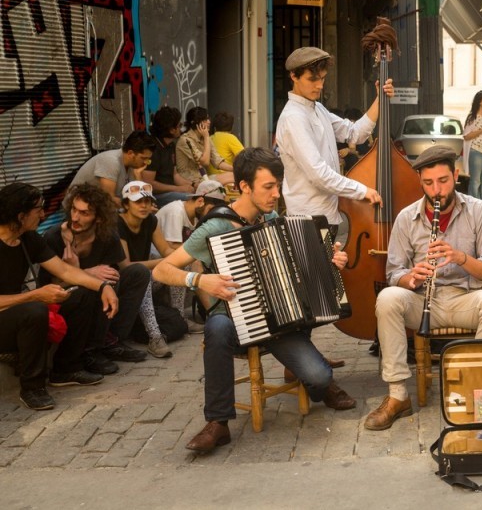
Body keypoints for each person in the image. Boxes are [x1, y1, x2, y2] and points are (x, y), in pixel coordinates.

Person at [152, 147, 357, 454]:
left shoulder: (273, 219)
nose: (276, 194)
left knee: (318, 377)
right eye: (268, 187)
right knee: (216, 328)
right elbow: (161, 269)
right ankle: (218, 423)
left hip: (279, 322)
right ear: (244, 186)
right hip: (235, 318)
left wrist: (330, 261)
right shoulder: (215, 226)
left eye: (278, 186)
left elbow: (301, 274)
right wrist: (200, 279)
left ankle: (312, 377)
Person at [365, 145, 482, 431]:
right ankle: (397, 396)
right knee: (388, 297)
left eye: (443, 181)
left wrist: (460, 257)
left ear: (456, 175)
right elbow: (394, 272)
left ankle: (476, 391)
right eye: (428, 183)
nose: (436, 190)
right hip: (422, 302)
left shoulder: (478, 211)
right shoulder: (407, 217)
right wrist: (411, 277)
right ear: (420, 181)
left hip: (465, 299)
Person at [0, 183, 118, 410]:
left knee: (81, 292)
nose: (44, 214)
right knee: (35, 309)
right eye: (38, 210)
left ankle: (66, 369)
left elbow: (65, 272)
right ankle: (32, 388)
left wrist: (103, 286)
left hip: (15, 314)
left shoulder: (28, 239)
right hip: (8, 318)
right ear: (21, 215)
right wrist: (34, 296)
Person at [40, 184, 151, 374]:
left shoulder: (107, 236)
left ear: (98, 218)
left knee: (137, 273)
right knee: (101, 285)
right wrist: (87, 273)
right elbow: (47, 288)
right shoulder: (54, 237)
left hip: (98, 298)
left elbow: (118, 271)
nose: (75, 217)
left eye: (84, 213)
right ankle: (90, 350)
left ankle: (111, 341)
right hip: (65, 298)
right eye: (74, 210)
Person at [275, 46, 386, 227]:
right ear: (293, 76)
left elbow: (354, 133)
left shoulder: (317, 108)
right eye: (312, 79)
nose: (319, 85)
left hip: (327, 215)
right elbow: (319, 174)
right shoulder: (293, 118)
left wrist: (380, 98)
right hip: (308, 220)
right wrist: (362, 190)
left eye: (322, 78)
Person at [155, 180, 229, 333]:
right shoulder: (176, 211)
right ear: (200, 201)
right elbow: (170, 248)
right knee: (191, 263)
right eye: (211, 210)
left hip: (172, 259)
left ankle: (217, 314)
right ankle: (184, 316)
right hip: (158, 264)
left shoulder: (196, 216)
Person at [117, 181, 175, 358]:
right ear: (126, 204)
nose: (144, 206)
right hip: (121, 283)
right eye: (137, 202)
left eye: (147, 202)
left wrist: (180, 256)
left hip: (143, 274)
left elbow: (166, 250)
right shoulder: (117, 224)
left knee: (180, 263)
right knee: (143, 275)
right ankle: (155, 337)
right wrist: (163, 261)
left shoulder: (151, 220)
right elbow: (126, 266)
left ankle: (179, 315)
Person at [69, 131, 158, 207]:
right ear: (131, 153)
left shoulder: (132, 166)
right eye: (143, 158)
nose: (146, 162)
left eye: (148, 159)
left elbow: (138, 195)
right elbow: (108, 199)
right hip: (80, 209)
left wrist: (138, 176)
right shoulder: (111, 161)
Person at [143, 106, 195, 208]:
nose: (181, 128)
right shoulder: (152, 148)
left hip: (171, 191)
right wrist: (178, 189)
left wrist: (193, 185)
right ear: (171, 130)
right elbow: (148, 184)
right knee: (191, 200)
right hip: (156, 196)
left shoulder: (171, 145)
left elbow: (175, 175)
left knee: (200, 196)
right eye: (179, 125)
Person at [175, 106, 235, 187]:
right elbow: (205, 162)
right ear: (196, 122)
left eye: (208, 119)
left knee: (234, 175)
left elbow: (217, 161)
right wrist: (206, 137)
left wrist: (236, 169)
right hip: (190, 182)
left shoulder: (205, 137)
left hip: (203, 178)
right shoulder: (185, 140)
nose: (209, 122)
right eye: (205, 120)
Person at [209, 111, 245, 176]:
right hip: (226, 176)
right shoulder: (230, 138)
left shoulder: (209, 138)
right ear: (231, 126)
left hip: (209, 176)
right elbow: (244, 157)